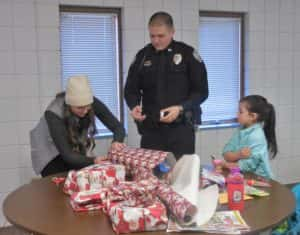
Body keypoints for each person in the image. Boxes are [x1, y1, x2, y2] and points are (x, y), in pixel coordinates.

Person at [124, 11, 208, 160]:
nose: (156, 40)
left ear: (172, 32)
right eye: (152, 36)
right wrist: (134, 106)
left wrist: (181, 107)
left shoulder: (187, 54)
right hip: (152, 130)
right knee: (152, 176)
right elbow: (131, 90)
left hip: (181, 129)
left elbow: (201, 92)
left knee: (181, 176)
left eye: (161, 36)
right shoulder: (143, 56)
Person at [30, 75, 126, 177]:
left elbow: (118, 127)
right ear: (69, 104)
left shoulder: (90, 101)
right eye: (80, 108)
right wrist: (94, 160)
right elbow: (68, 156)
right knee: (58, 183)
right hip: (49, 151)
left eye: (88, 107)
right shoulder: (53, 113)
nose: (85, 111)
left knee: (80, 177)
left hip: (70, 150)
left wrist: (117, 141)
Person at [221, 95, 278, 179]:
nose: (237, 114)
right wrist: (239, 155)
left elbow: (248, 165)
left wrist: (226, 164)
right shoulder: (241, 130)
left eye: (240, 112)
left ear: (253, 116)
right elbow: (226, 152)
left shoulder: (256, 136)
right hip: (245, 176)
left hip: (262, 180)